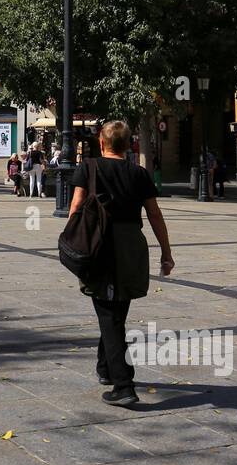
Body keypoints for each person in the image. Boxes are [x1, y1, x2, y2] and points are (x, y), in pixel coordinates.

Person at [68, 120, 174, 407]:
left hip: (101, 244)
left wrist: (71, 240)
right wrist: (166, 252)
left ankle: (124, 384)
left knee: (108, 314)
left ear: (102, 143)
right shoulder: (139, 173)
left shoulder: (88, 168)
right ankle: (106, 369)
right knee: (116, 310)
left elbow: (76, 206)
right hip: (132, 246)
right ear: (129, 145)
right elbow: (155, 215)